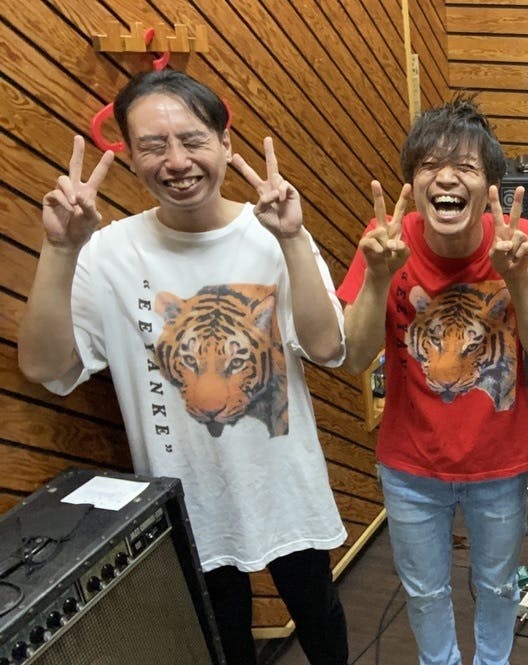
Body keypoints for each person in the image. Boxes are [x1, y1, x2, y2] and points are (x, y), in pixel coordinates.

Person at [18, 70, 349, 665]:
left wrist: (295, 241)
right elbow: (45, 367)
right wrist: (61, 249)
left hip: (284, 484)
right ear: (129, 155)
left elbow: (327, 348)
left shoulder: (275, 234)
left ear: (225, 142)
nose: (176, 161)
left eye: (192, 140)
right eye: (153, 145)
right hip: (186, 496)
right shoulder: (108, 253)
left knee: (320, 617)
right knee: (223, 640)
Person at [335, 97, 528, 665]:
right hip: (410, 464)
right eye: (430, 165)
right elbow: (355, 356)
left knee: (499, 587)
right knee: (425, 593)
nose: (446, 177)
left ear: (488, 187)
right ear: (412, 184)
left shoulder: (523, 238)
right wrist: (378, 277)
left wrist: (518, 279)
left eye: (465, 166)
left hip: (500, 461)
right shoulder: (386, 239)